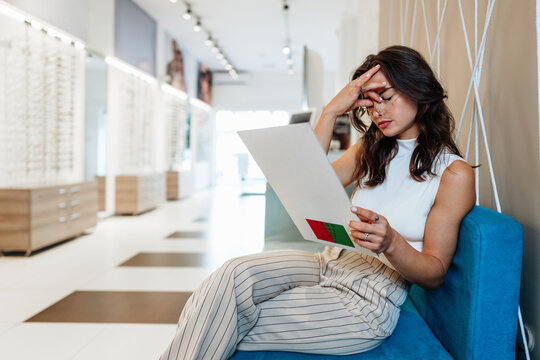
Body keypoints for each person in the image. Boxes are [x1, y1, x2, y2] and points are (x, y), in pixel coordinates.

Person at [160, 45, 475, 360]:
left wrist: (391, 241)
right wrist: (330, 112)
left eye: (386, 96)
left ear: (417, 89)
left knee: (221, 317)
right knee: (229, 276)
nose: (377, 110)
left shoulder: (452, 173)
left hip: (368, 299)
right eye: (369, 101)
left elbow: (434, 273)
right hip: (328, 262)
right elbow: (306, 182)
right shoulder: (372, 148)